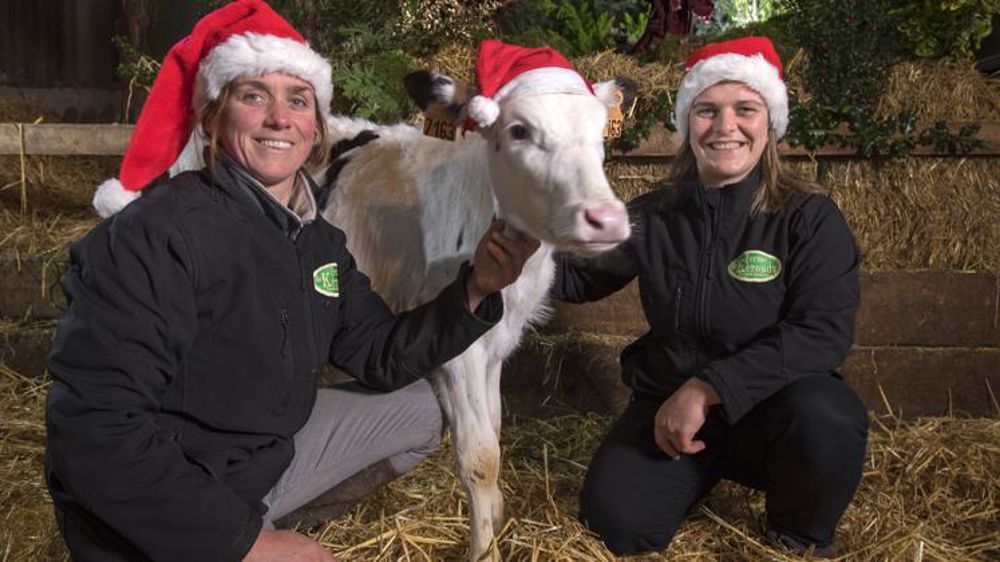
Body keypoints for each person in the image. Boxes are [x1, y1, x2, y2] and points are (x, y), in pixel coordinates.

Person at [44, 2, 539, 561]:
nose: (280, 118)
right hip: (165, 492)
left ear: (316, 127)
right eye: (254, 96)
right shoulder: (155, 236)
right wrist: (247, 544)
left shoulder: (314, 240)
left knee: (420, 410)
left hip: (254, 461)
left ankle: (264, 518)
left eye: (298, 100)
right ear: (211, 119)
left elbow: (380, 353)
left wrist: (476, 288)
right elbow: (93, 432)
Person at [552, 36, 868, 557]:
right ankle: (689, 475)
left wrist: (706, 388)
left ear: (770, 122)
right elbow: (576, 278)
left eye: (745, 109)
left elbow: (822, 333)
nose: (725, 126)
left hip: (771, 411)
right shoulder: (654, 215)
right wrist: (517, 246)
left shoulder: (809, 218)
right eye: (706, 111)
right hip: (669, 412)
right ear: (686, 124)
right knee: (615, 525)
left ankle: (797, 537)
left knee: (826, 416)